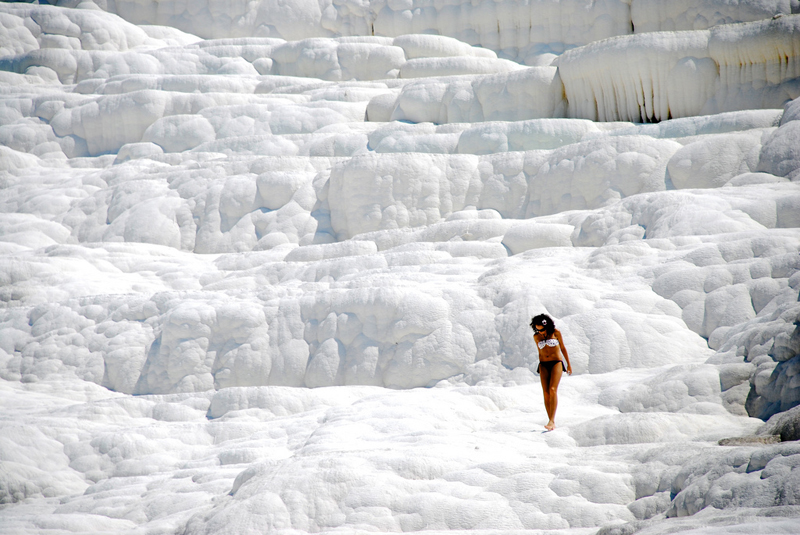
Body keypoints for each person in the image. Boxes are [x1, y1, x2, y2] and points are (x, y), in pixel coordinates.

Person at [530, 314, 572, 431]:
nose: (540, 332)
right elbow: (540, 352)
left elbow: (563, 348)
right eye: (537, 330)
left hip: (556, 363)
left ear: (546, 326)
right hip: (543, 364)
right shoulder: (536, 337)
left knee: (553, 389)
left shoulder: (556, 332)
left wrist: (568, 364)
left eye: (542, 329)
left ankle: (552, 420)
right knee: (546, 392)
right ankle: (550, 420)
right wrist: (540, 365)